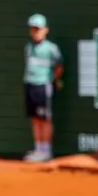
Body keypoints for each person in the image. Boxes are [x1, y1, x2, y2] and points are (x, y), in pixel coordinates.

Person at [23, 14, 62, 163]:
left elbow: (59, 66)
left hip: (43, 85)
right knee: (34, 118)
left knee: (44, 119)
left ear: (45, 30)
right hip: (29, 84)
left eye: (38, 29)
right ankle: (38, 149)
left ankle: (46, 151)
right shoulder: (28, 47)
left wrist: (53, 80)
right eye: (32, 29)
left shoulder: (51, 48)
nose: (35, 32)